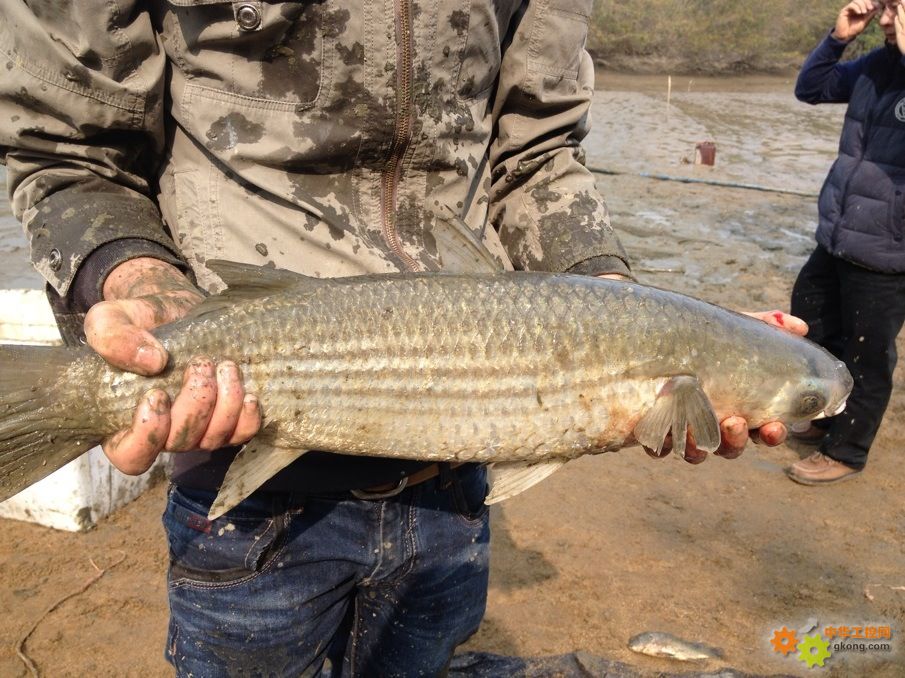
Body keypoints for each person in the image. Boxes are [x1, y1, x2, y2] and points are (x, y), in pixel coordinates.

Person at [0, 1, 797, 674]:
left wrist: (607, 302)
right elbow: (65, 148)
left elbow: (539, 149)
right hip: (241, 473)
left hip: (452, 492)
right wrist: (134, 282)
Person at [787, 0, 905, 486]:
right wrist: (839, 38)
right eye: (883, 8)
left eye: (895, 8)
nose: (883, 20)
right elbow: (810, 89)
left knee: (868, 355)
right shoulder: (878, 65)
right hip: (837, 234)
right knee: (812, 326)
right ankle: (824, 417)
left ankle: (848, 450)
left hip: (888, 253)